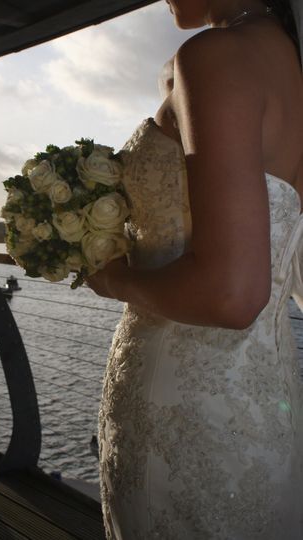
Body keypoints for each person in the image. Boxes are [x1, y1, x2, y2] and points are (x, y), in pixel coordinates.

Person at [85, 0, 303, 537]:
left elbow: (230, 295)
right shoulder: (287, 64)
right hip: (260, 394)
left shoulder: (217, 57)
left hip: (185, 407)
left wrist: (111, 277)